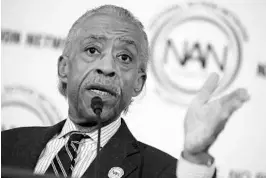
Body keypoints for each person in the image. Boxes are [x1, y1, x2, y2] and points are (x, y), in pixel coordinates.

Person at [1, 5, 250, 178]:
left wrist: (195, 158)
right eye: (92, 50)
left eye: (124, 57)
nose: (107, 67)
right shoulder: (7, 145)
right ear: (64, 68)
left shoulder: (162, 171)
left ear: (138, 83)